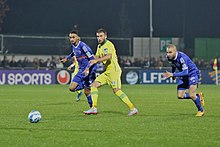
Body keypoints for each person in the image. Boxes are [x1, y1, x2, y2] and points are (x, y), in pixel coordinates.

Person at [83, 28, 138, 116]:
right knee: (94, 85)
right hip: (107, 72)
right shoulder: (99, 46)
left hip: (114, 71)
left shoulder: (109, 44)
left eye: (101, 36)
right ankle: (94, 108)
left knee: (116, 91)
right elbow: (95, 58)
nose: (99, 38)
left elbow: (108, 56)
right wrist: (87, 67)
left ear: (105, 36)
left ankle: (133, 108)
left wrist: (97, 61)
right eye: (97, 36)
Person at [163, 44, 205, 117]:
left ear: (175, 51)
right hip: (184, 76)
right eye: (167, 52)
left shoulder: (182, 58)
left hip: (192, 74)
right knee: (180, 96)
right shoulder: (169, 57)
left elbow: (186, 72)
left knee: (191, 94)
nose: (168, 54)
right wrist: (173, 73)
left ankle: (201, 110)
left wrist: (173, 75)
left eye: (170, 52)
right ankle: (198, 96)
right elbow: (173, 65)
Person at [61, 30, 96, 108]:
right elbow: (74, 52)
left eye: (73, 37)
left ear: (78, 38)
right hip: (81, 70)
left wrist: (87, 69)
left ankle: (92, 107)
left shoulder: (83, 46)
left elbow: (92, 59)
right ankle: (85, 85)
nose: (71, 39)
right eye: (70, 37)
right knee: (71, 88)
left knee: (87, 92)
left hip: (88, 69)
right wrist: (67, 58)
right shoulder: (74, 46)